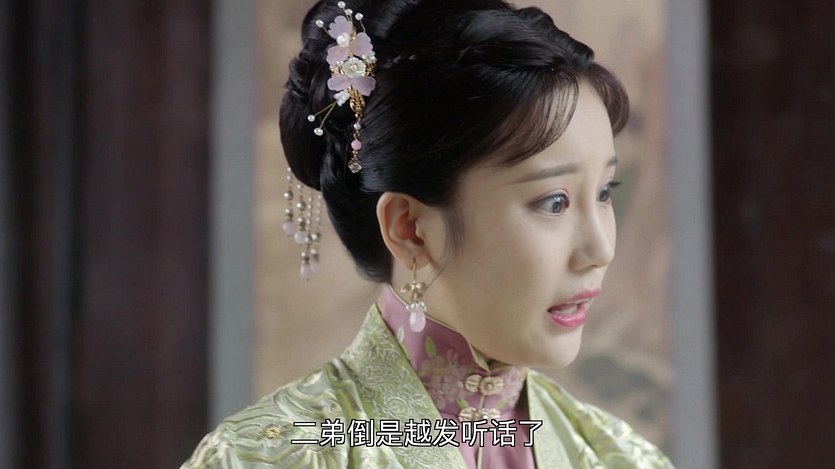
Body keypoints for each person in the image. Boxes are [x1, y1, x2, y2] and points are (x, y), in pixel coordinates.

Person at [183, 0, 674, 467]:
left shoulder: (620, 458)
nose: (600, 249)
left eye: (605, 192)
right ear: (410, 229)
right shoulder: (266, 457)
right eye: (554, 202)